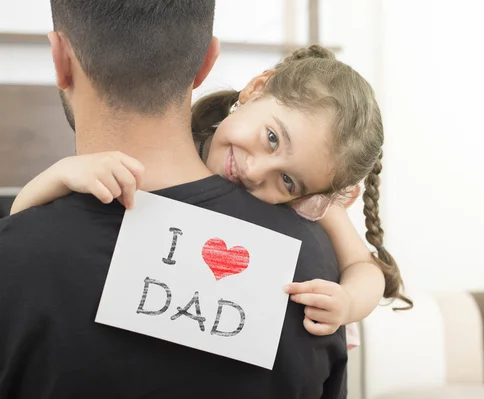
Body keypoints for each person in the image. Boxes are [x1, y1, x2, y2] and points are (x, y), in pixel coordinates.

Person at [0, 1, 345, 398]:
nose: (255, 170)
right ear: (206, 62)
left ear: (59, 59)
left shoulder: (14, 257)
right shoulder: (316, 277)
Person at [10, 45, 413, 350]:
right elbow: (21, 227)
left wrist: (347, 304)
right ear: (257, 89)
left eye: (287, 181)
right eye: (271, 138)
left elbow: (366, 268)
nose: (256, 173)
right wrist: (60, 174)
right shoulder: (158, 155)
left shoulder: (305, 209)